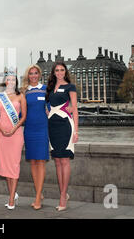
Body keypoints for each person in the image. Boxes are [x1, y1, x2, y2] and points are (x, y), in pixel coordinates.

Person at [46, 62, 79, 212]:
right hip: (52, 126)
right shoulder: (50, 88)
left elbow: (75, 109)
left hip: (65, 125)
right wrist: (49, 113)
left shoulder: (70, 87)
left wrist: (76, 131)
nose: (59, 72)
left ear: (65, 72)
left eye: (62, 70)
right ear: (54, 72)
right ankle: (63, 194)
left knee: (64, 160)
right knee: (57, 161)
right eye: (57, 70)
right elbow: (46, 105)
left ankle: (62, 196)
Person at [0, 71, 26, 210]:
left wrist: (14, 129)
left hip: (16, 134)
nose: (11, 82)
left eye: (13, 79)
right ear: (5, 81)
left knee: (14, 165)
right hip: (2, 134)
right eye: (8, 79)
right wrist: (1, 129)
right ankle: (13, 194)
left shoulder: (21, 96)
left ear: (16, 82)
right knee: (6, 165)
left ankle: (11, 199)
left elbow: (23, 117)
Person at [22, 65, 49, 210]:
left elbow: (51, 106)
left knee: (41, 162)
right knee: (33, 162)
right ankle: (39, 192)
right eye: (31, 73)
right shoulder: (25, 91)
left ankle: (38, 197)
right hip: (29, 129)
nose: (33, 75)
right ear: (28, 75)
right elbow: (21, 112)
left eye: (36, 73)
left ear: (39, 74)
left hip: (42, 129)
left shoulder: (45, 89)